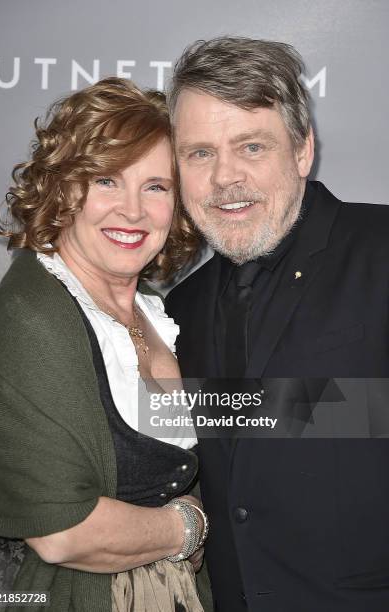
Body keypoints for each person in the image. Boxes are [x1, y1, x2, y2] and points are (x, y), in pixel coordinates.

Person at [165, 37, 389, 612]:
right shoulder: (176, 309)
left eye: (251, 146)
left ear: (302, 150)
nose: (225, 177)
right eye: (199, 153)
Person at [0, 77, 212, 612]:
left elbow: (242, 419)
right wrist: (188, 525)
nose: (132, 211)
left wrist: (357, 412)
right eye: (107, 181)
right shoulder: (21, 323)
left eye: (156, 186)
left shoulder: (164, 315)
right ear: (62, 188)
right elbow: (64, 530)